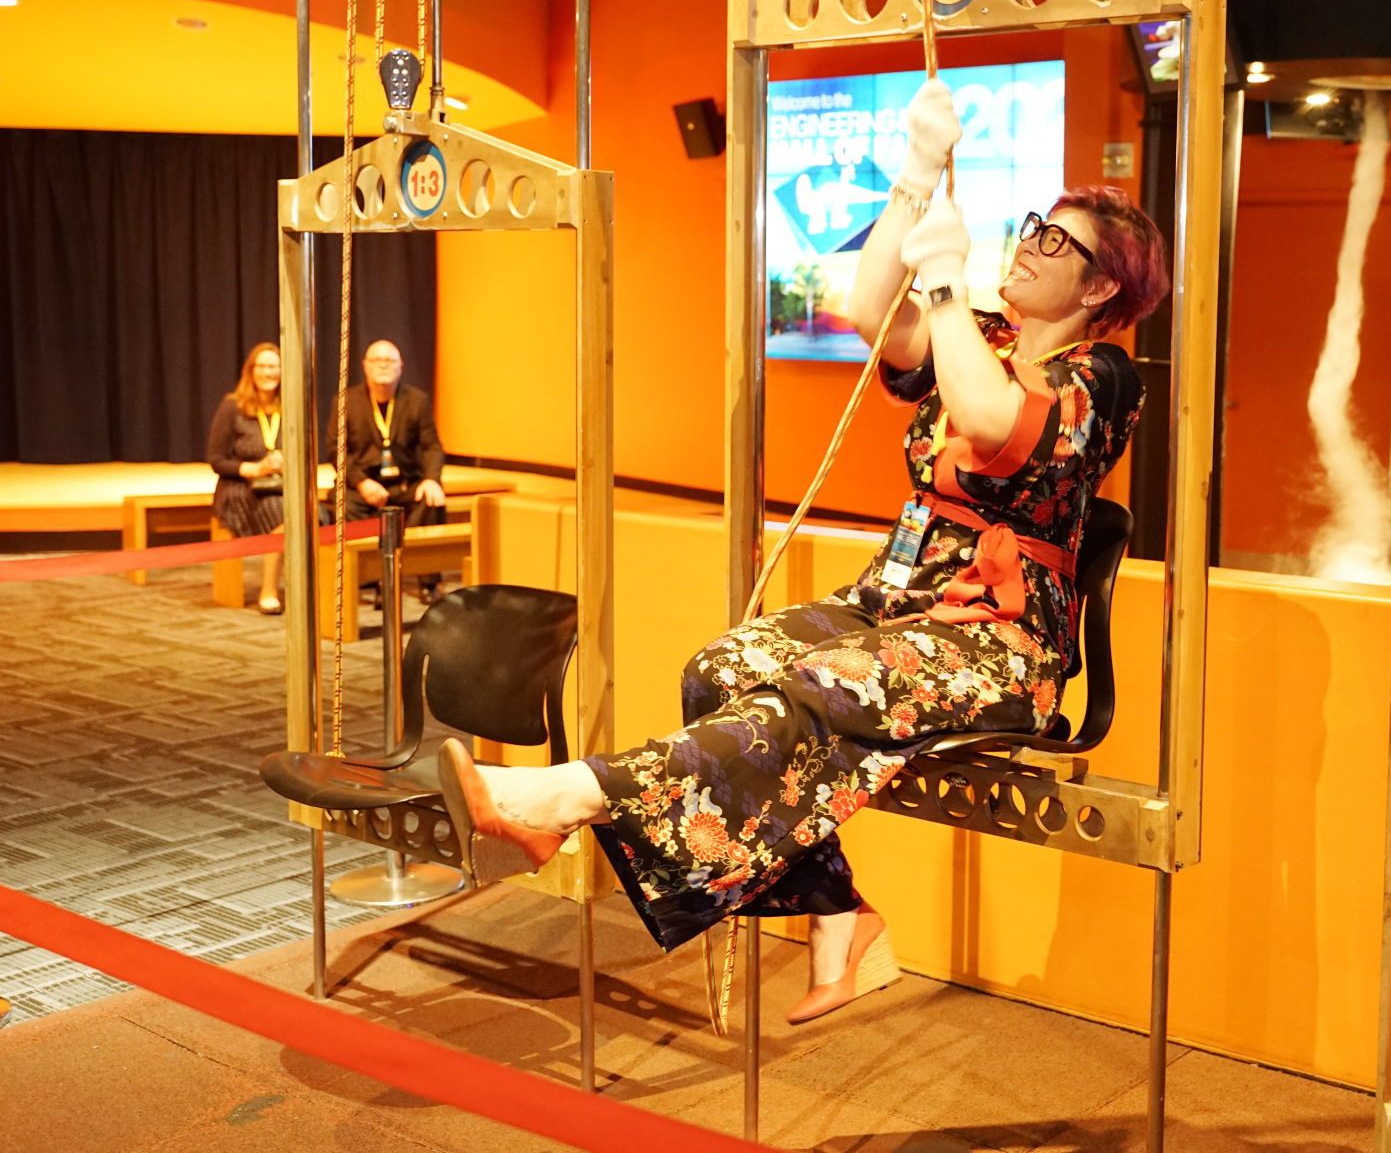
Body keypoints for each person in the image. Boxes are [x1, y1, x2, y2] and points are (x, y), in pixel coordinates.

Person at [433, 78, 1169, 1025]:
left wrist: (944, 281)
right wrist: (912, 172)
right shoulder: (977, 335)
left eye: (1056, 240)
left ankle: (560, 798)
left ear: (1102, 285)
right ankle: (837, 912)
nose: (1028, 243)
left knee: (819, 684)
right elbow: (867, 308)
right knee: (721, 667)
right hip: (893, 604)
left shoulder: (1099, 376)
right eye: (1032, 224)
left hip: (997, 642)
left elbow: (993, 424)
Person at [329, 339, 447, 529]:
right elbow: (336, 450)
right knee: (342, 503)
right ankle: (366, 556)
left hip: (404, 483)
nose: (383, 365)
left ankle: (413, 554)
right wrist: (362, 482)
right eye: (377, 360)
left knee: (432, 499)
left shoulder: (416, 400)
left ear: (400, 367)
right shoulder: (346, 402)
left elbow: (431, 446)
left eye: (390, 361)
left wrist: (431, 479)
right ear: (366, 366)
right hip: (363, 483)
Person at [208, 342, 289, 614]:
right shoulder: (233, 406)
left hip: (282, 486)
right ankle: (269, 590)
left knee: (313, 512)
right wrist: (254, 469)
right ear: (251, 371)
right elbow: (217, 460)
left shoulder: (291, 406)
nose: (269, 372)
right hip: (241, 488)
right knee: (283, 515)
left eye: (274, 367)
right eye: (263, 366)